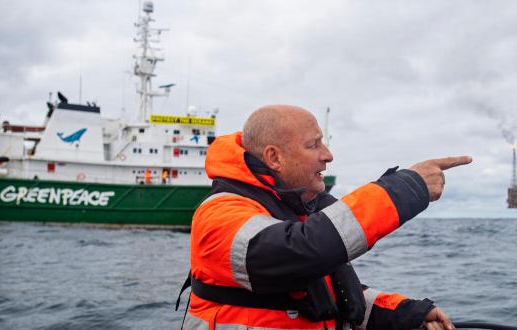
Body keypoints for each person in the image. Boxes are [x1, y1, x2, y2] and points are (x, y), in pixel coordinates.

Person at [184, 105, 472, 330]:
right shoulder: (219, 214)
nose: (328, 155)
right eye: (314, 145)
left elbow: (330, 294)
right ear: (274, 158)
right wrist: (409, 187)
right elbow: (302, 251)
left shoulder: (293, 210)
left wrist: (407, 313)